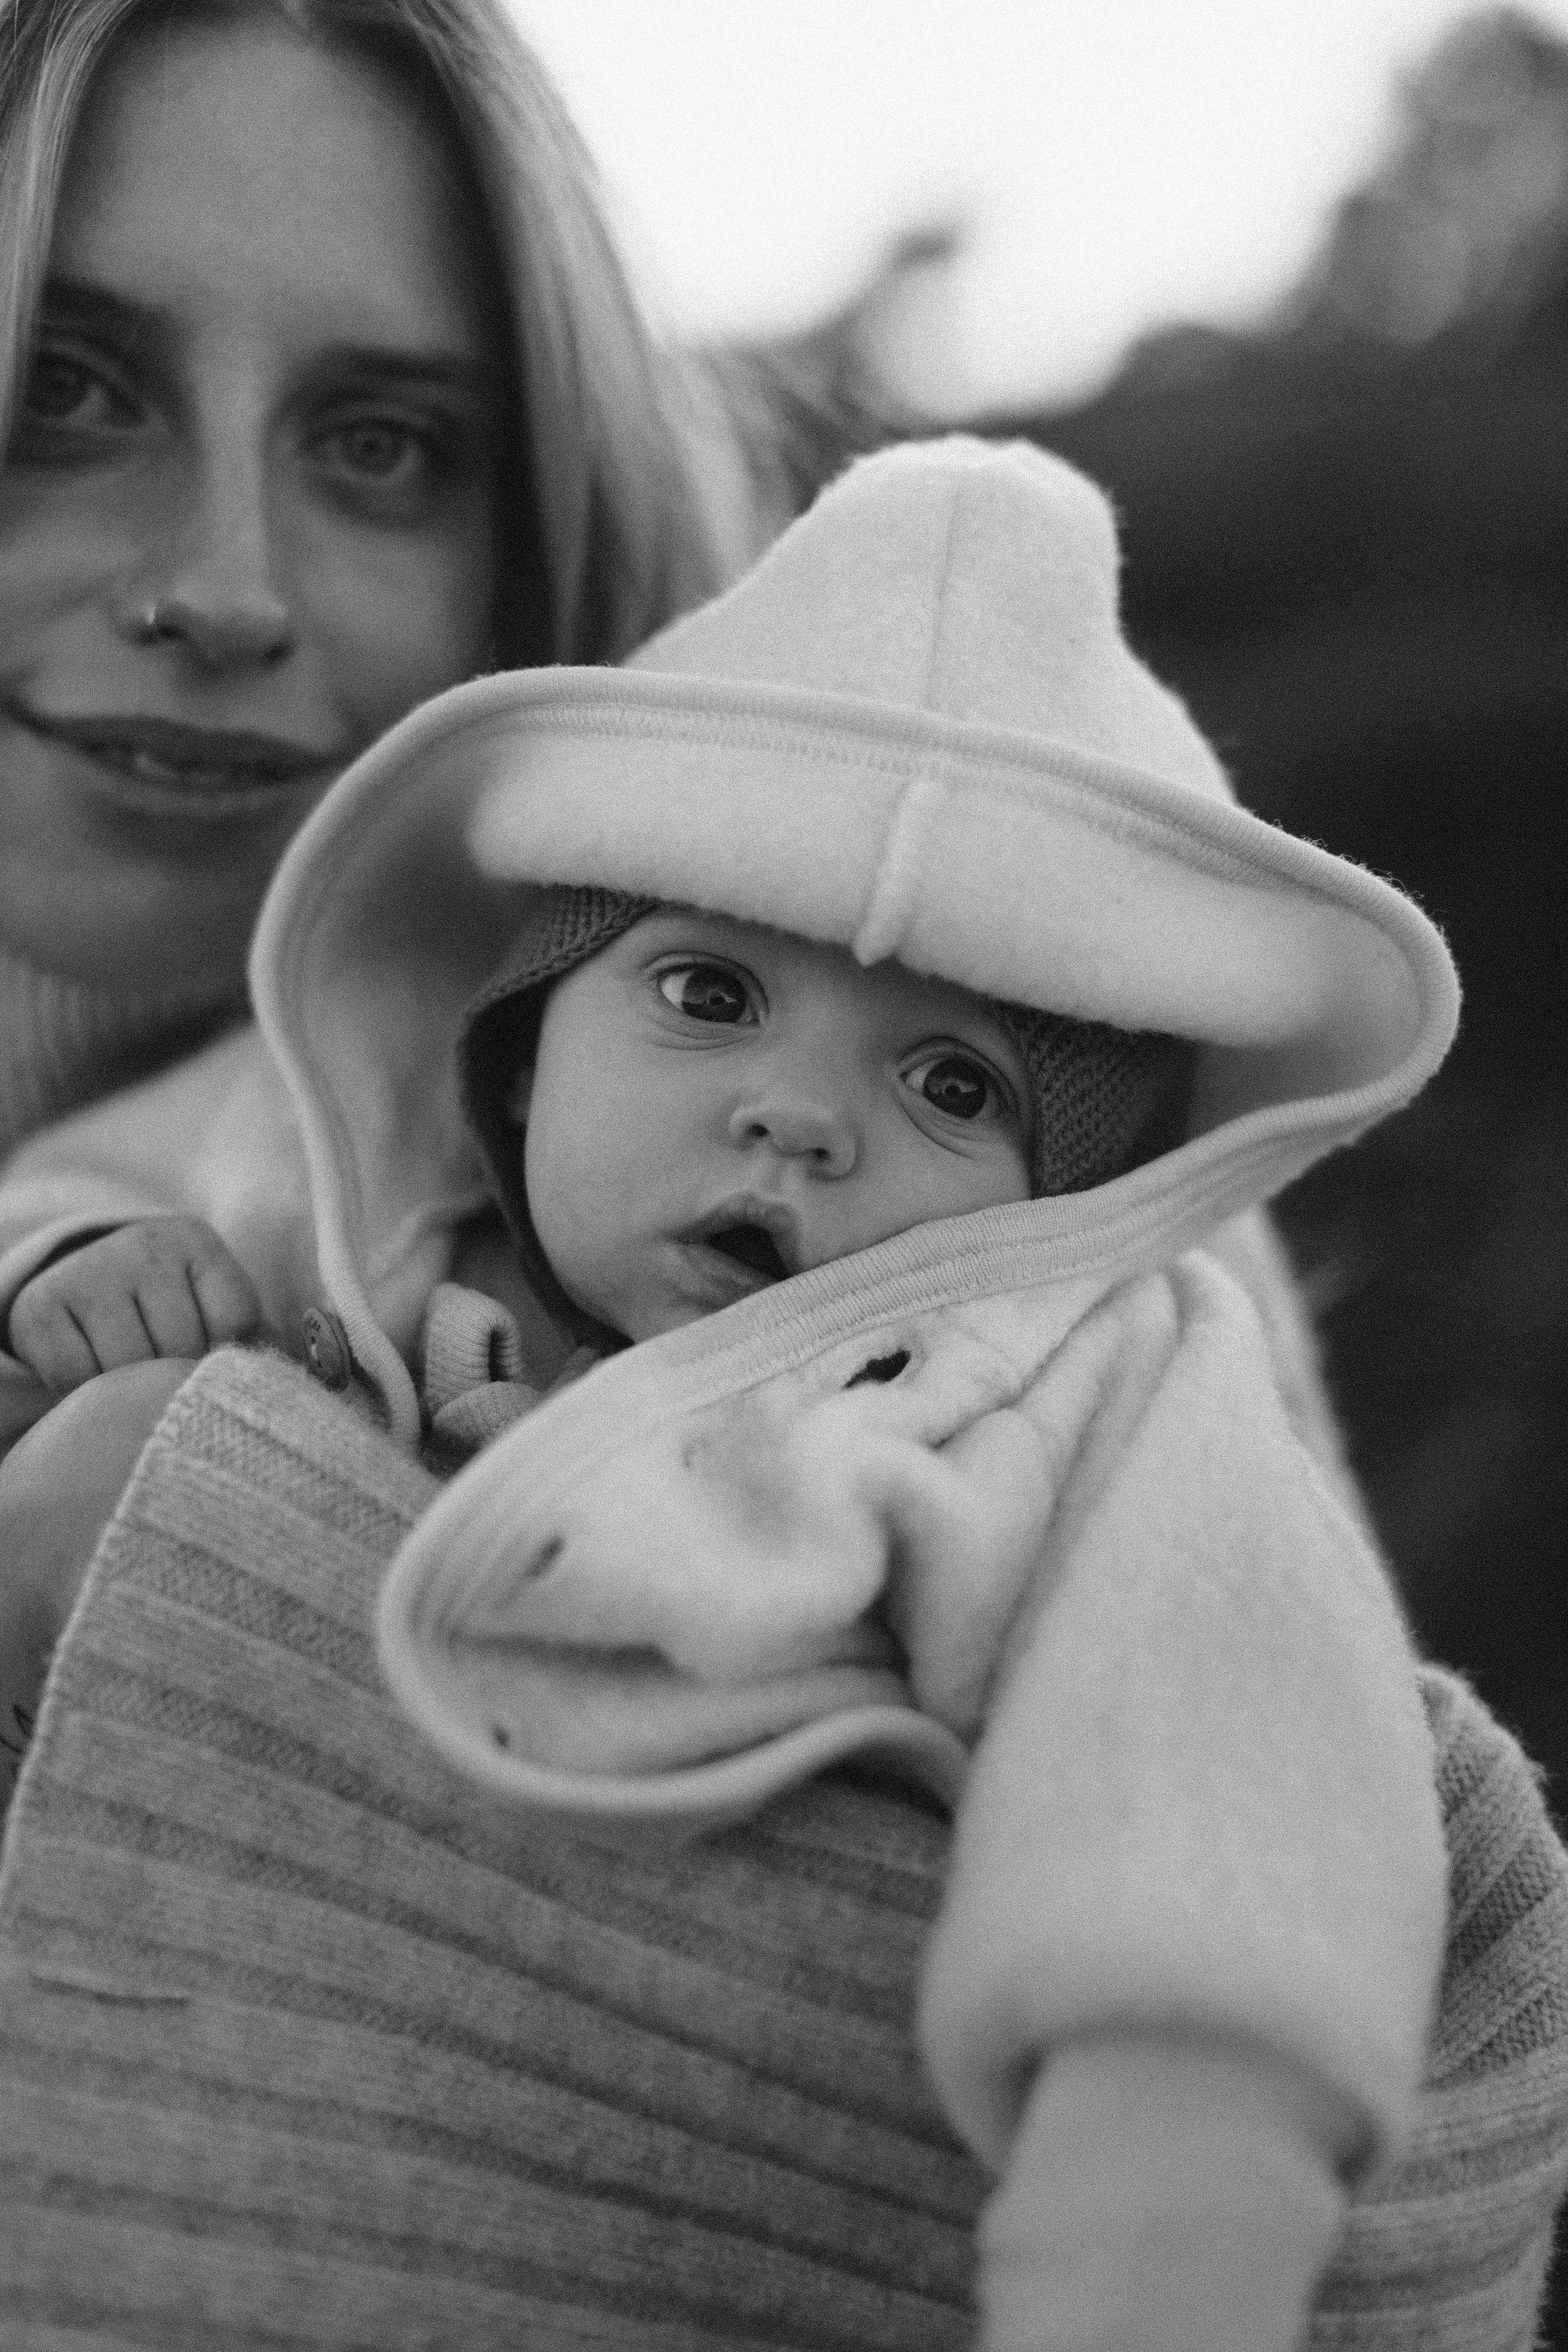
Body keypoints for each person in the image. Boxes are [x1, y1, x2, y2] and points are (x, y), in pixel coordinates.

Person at [9, 437, 1543, 2351]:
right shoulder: (351, 1174)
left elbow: (1226, 1751)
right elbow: (75, 1184)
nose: (798, 1114)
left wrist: (1168, 2208)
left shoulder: (1070, 1389)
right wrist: (75, 1269)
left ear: (1071, 1202)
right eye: (709, 997)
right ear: (519, 1029)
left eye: (954, 1087)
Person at [0, 0, 753, 1387]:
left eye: (381, 443)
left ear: (535, 554)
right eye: (62, 385)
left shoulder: (959, 1150)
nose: (229, 590)